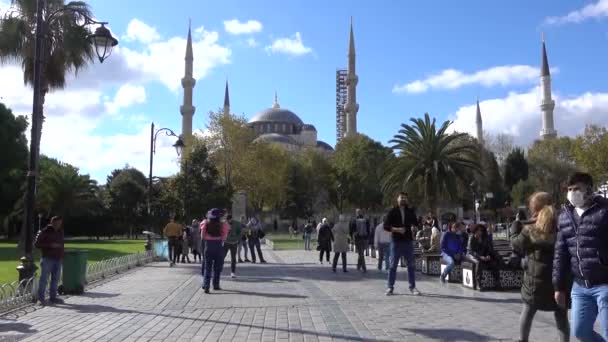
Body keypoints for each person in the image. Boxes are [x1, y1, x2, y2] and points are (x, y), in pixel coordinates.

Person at [553, 172, 608, 341]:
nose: (572, 192)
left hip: (605, 284)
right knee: (580, 332)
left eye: (577, 188)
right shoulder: (564, 216)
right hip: (580, 287)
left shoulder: (605, 211)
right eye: (569, 189)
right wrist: (558, 287)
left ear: (589, 189)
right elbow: (560, 253)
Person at [511, 192, 569, 342]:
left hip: (534, 283)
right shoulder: (563, 224)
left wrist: (515, 226)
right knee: (561, 317)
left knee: (528, 311)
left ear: (535, 208)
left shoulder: (530, 229)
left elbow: (515, 245)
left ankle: (523, 340)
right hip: (559, 281)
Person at [384, 192, 421, 296]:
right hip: (396, 242)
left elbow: (416, 224)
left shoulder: (410, 212)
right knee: (392, 266)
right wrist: (397, 229)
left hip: (408, 241)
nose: (403, 199)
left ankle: (412, 287)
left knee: (411, 265)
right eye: (401, 198)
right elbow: (386, 226)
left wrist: (414, 227)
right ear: (397, 199)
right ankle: (390, 287)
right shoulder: (392, 211)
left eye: (405, 198)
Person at [35, 216, 64, 305]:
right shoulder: (44, 231)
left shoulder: (60, 232)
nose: (59, 225)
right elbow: (37, 244)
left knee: (55, 279)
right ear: (52, 222)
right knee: (44, 279)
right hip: (47, 258)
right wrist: (50, 245)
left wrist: (62, 254)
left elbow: (61, 244)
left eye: (60, 223)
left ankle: (53, 297)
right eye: (57, 223)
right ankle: (40, 298)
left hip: (58, 259)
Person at [201, 208, 230, 293]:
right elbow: (224, 237)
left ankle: (206, 286)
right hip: (218, 246)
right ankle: (216, 285)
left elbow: (202, 236)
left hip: (208, 246)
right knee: (217, 267)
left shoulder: (205, 223)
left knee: (207, 267)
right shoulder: (223, 224)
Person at [466, 224, 502, 290]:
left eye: (481, 231)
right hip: (472, 255)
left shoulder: (484, 239)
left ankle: (497, 283)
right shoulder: (471, 238)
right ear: (475, 231)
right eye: (478, 230)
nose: (479, 232)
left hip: (483, 256)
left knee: (493, 263)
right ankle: (478, 283)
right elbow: (471, 251)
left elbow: (487, 249)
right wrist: (480, 257)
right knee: (478, 263)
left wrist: (487, 255)